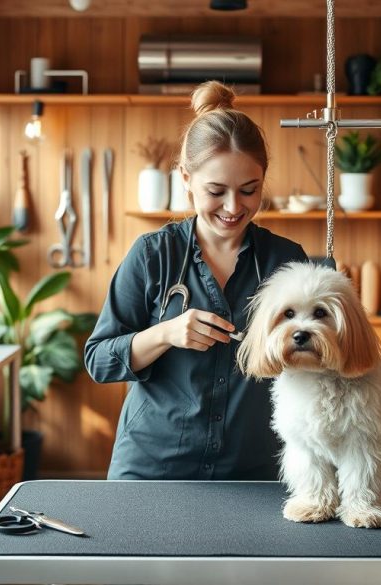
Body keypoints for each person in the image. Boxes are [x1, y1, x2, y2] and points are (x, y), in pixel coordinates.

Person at [84, 81, 308, 480]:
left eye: (248, 190)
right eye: (216, 191)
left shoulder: (285, 261)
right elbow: (99, 360)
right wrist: (165, 334)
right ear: (185, 178)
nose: (233, 207)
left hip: (254, 472)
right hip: (153, 469)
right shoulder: (153, 255)